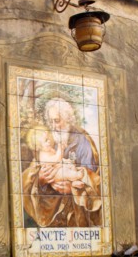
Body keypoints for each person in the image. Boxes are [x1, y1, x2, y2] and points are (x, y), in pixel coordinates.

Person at [21, 98, 102, 228]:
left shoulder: (83, 141)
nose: (53, 126)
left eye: (57, 121)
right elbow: (33, 171)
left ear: (68, 119)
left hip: (76, 216)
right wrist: (41, 179)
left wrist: (72, 189)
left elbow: (94, 180)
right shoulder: (48, 139)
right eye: (51, 121)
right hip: (54, 216)